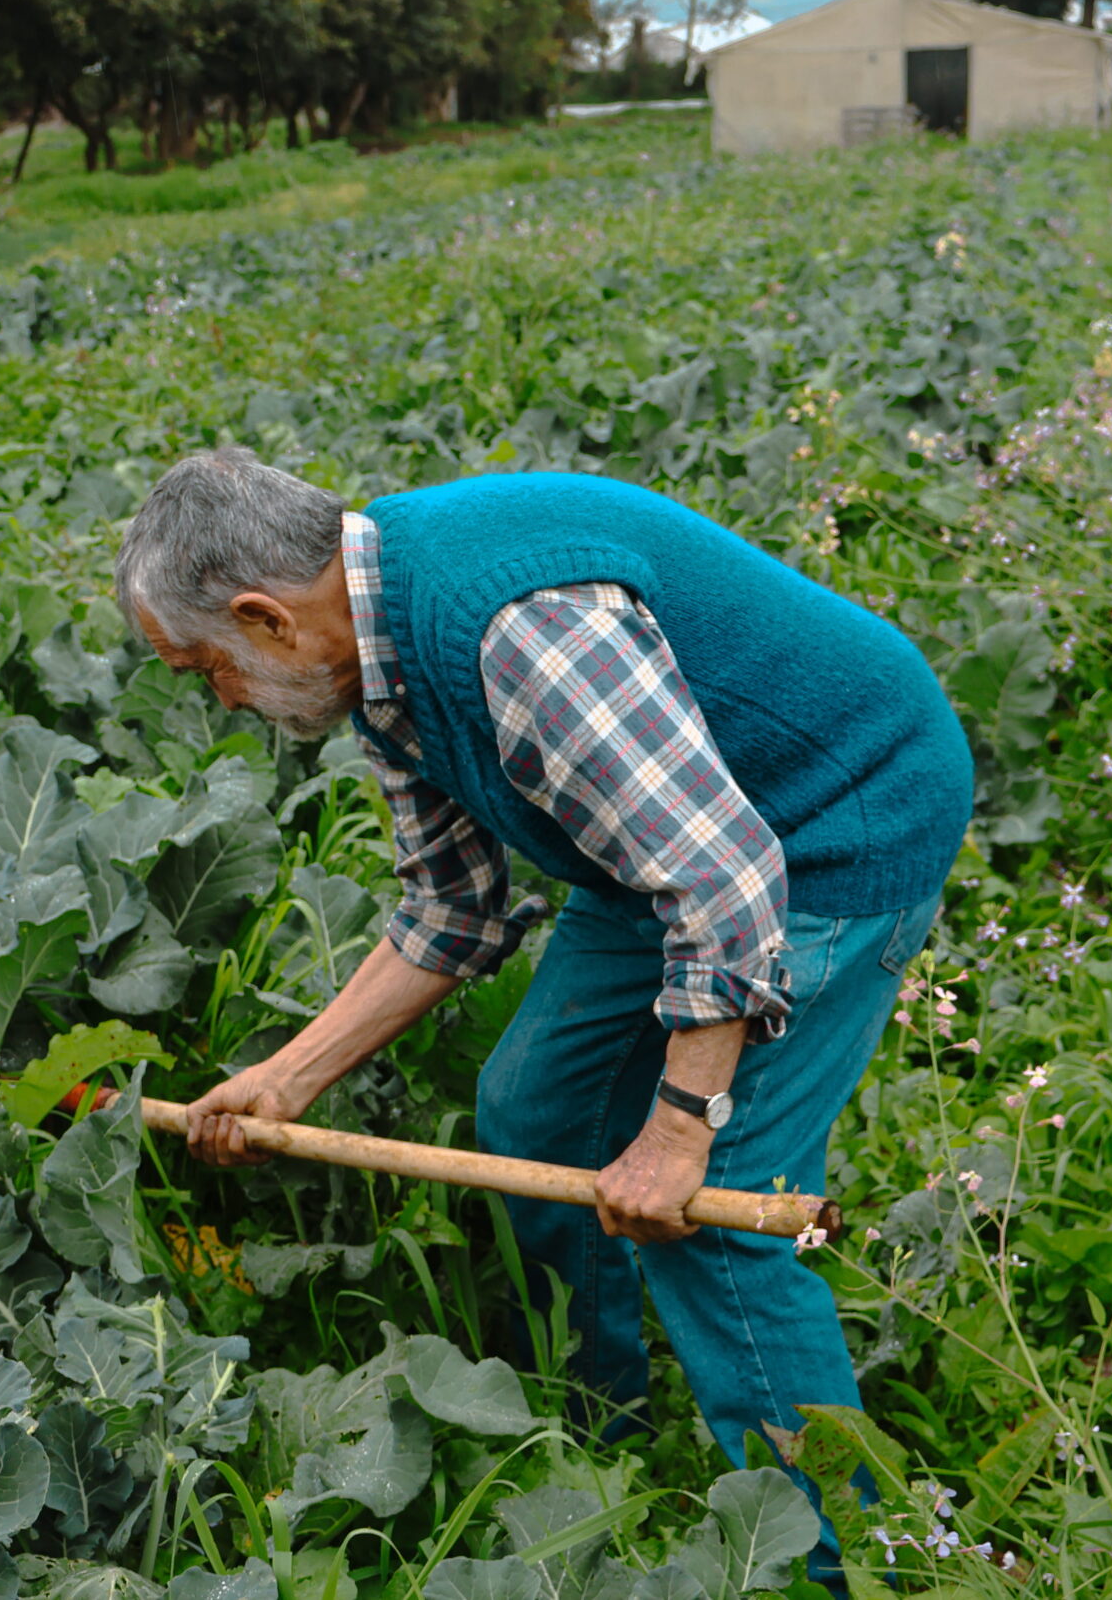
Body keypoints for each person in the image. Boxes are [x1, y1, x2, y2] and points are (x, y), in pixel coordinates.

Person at [116, 448, 974, 1576]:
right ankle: (595, 1428)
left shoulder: (517, 631)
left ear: (264, 617)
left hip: (829, 828)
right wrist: (292, 1076)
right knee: (531, 1106)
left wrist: (677, 1132)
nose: (220, 698)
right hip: (668, 849)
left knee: (713, 1217)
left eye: (204, 669)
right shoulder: (369, 655)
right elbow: (452, 912)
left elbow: (725, 885)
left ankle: (849, 1551)